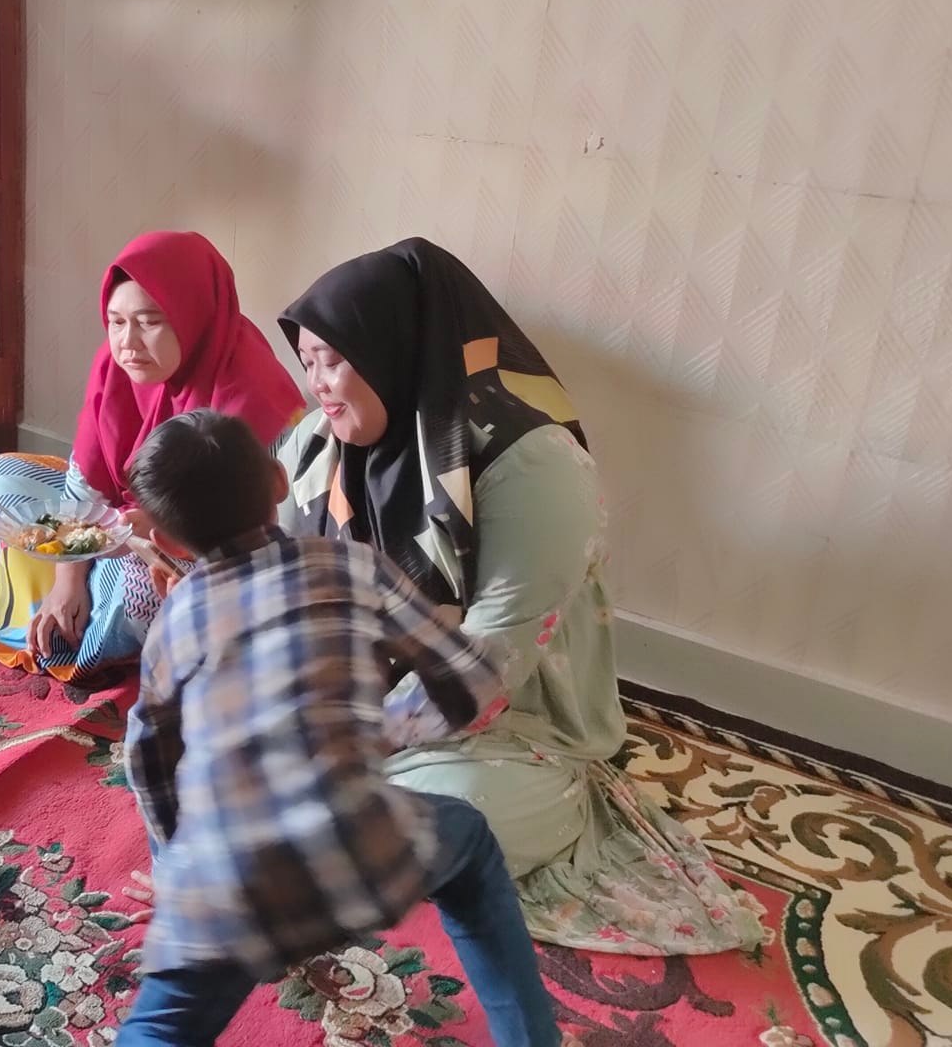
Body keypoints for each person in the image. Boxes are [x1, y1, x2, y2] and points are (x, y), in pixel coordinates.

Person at [274, 238, 764, 954]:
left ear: (392, 348)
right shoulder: (318, 448)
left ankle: (541, 807)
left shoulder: (530, 464)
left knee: (428, 822)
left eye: (333, 360)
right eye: (308, 361)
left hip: (500, 730)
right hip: (352, 707)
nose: (317, 383)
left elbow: (488, 665)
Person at [117, 410, 562, 1047]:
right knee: (469, 841)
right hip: (361, 850)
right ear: (278, 481)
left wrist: (176, 864)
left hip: (225, 893)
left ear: (170, 542)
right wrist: (385, 728)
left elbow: (148, 758)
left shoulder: (176, 619)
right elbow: (469, 680)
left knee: (159, 1030)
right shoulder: (354, 565)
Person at [0, 231, 305, 681]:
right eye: (116, 322)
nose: (128, 342)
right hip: (123, 523)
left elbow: (252, 529)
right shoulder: (115, 366)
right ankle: (53, 607)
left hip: (198, 551)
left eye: (149, 322)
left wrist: (137, 534)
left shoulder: (251, 392)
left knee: (133, 587)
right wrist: (68, 577)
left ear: (191, 315)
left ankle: (69, 633)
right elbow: (84, 481)